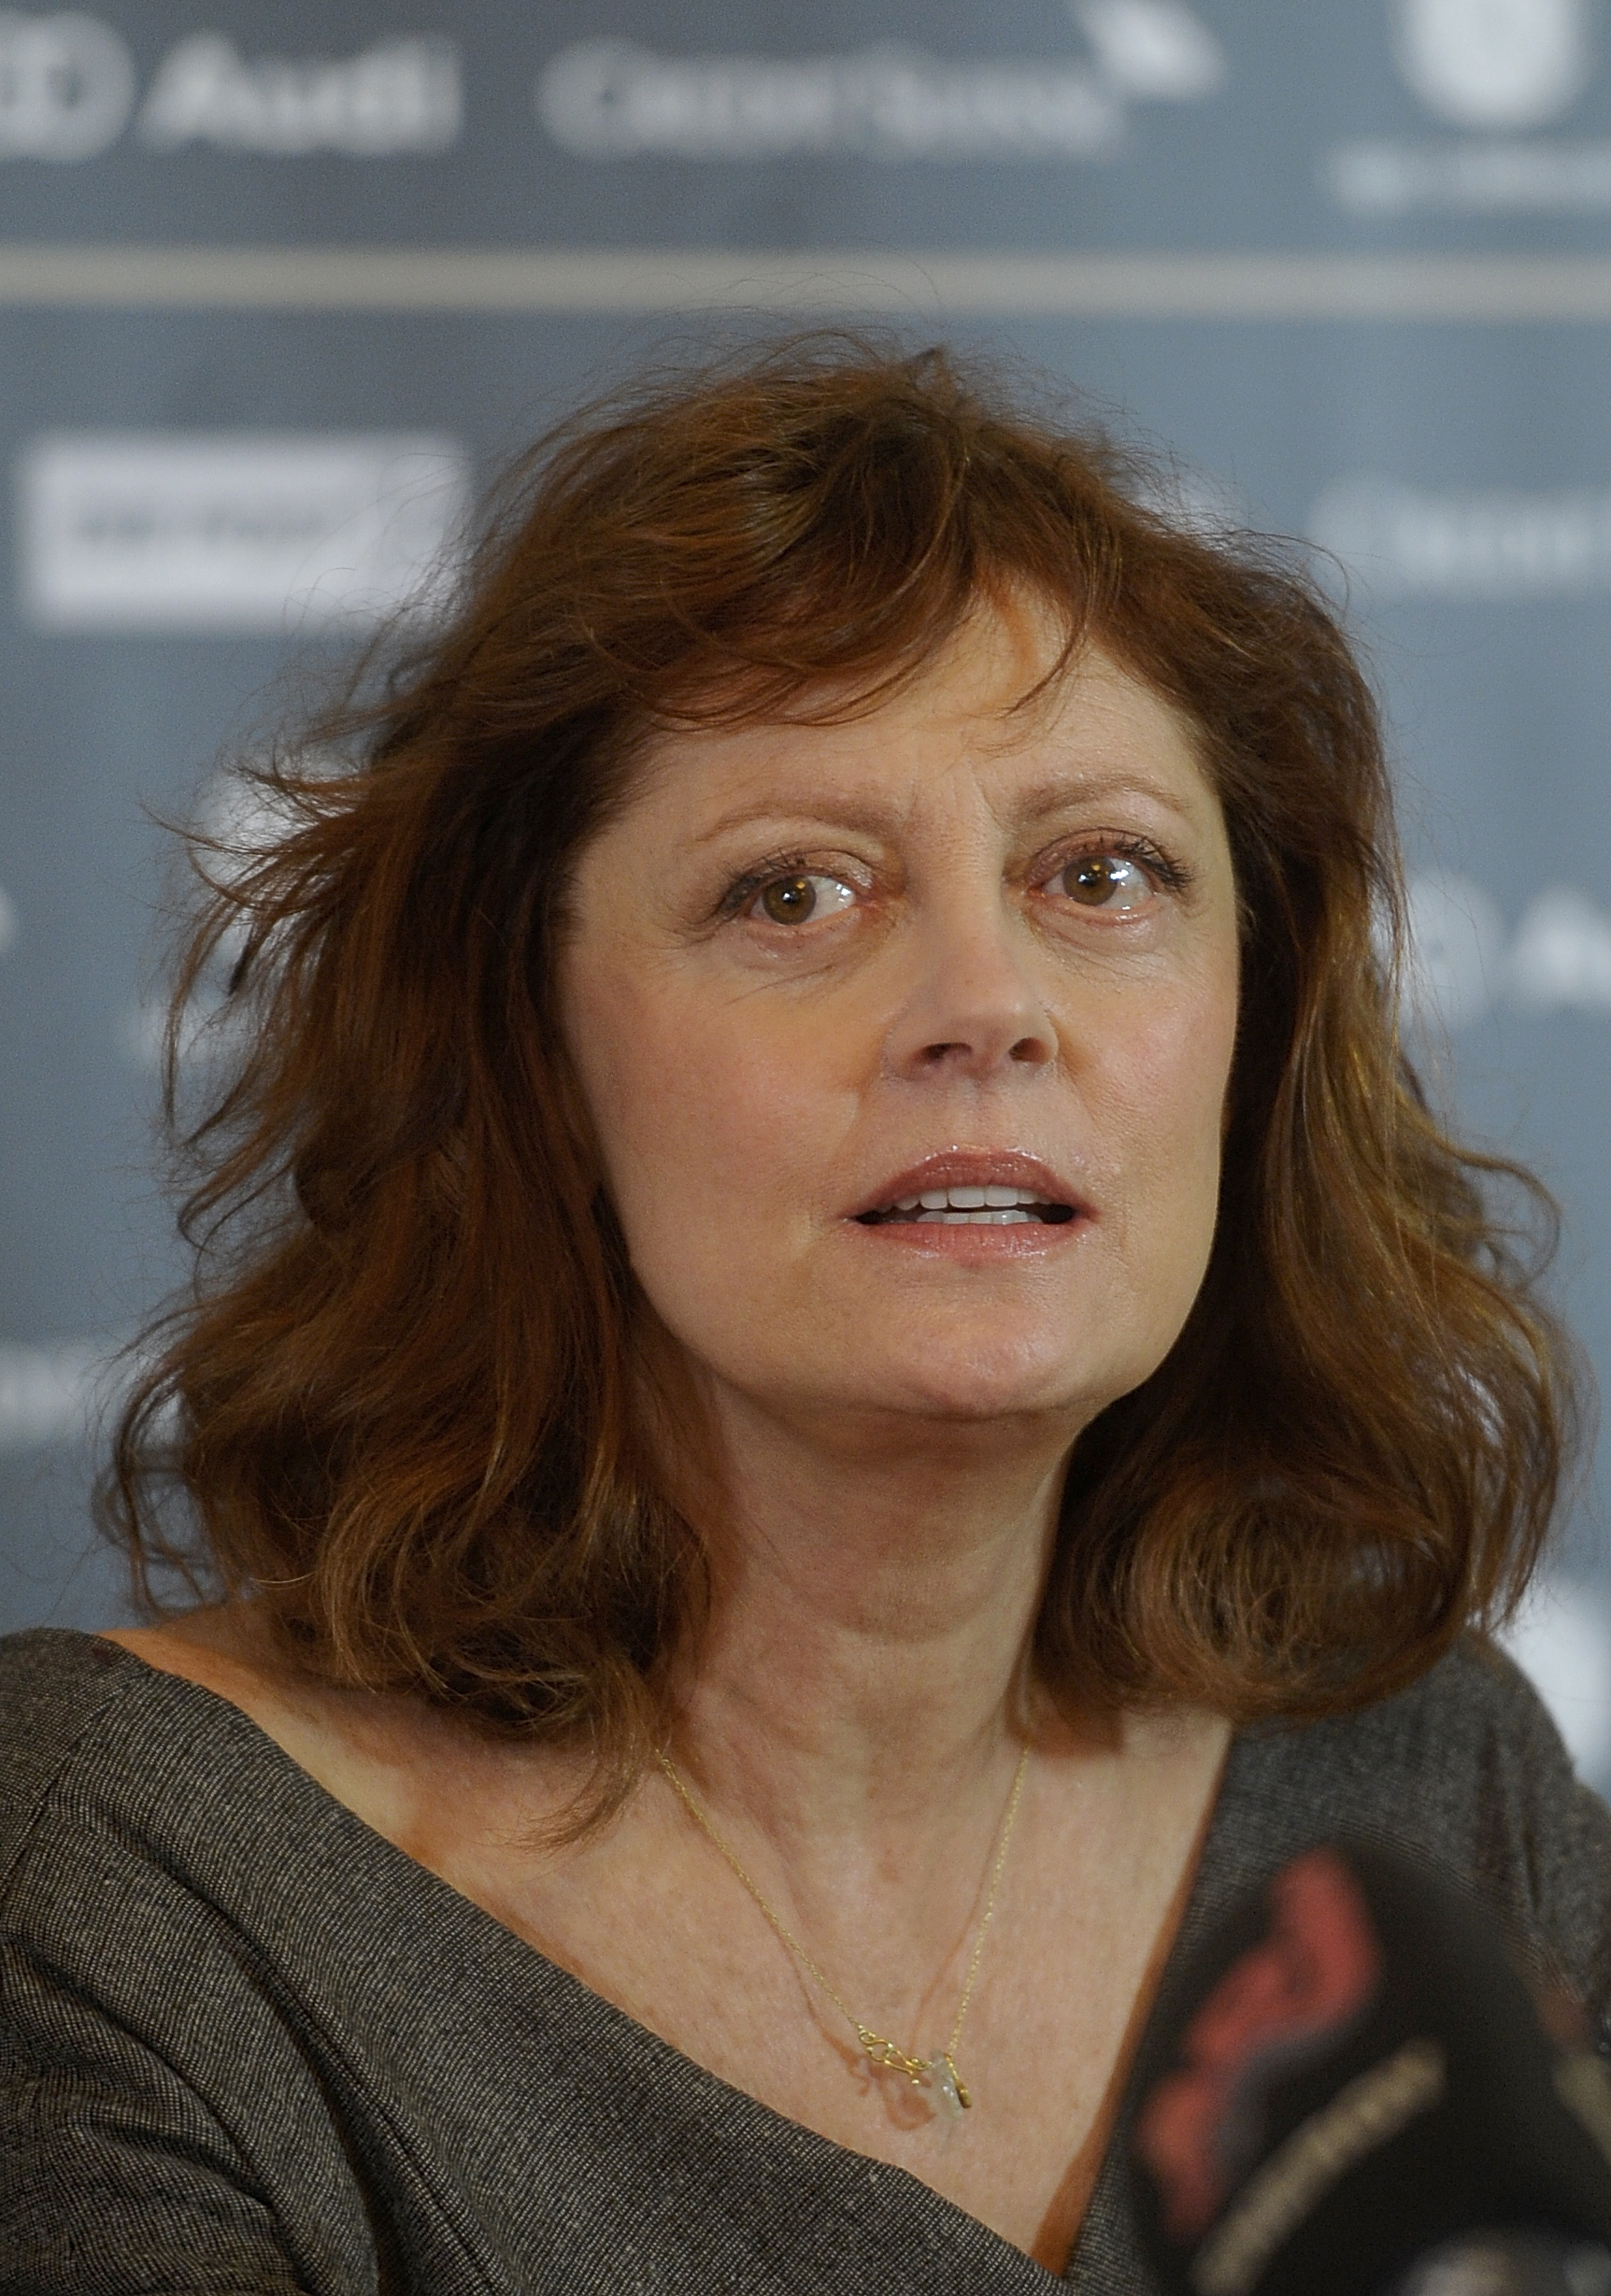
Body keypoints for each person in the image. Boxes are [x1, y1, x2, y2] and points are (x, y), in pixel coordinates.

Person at [1, 336, 1605, 2295]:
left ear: (1250, 1034)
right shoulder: (129, 1890)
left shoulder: (1435, 1798)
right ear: (532, 1054)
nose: (984, 1002)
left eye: (1098, 873)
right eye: (794, 895)